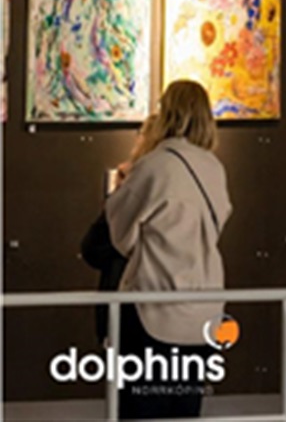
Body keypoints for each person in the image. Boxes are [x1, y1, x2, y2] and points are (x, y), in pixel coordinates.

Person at [105, 80, 233, 420]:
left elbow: (120, 235)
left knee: (141, 408)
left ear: (168, 113)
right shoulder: (214, 168)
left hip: (154, 310)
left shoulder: (154, 166)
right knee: (185, 408)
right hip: (204, 311)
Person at [81, 114, 159, 346]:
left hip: (131, 304)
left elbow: (93, 248)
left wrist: (118, 196)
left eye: (141, 134)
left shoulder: (140, 183)